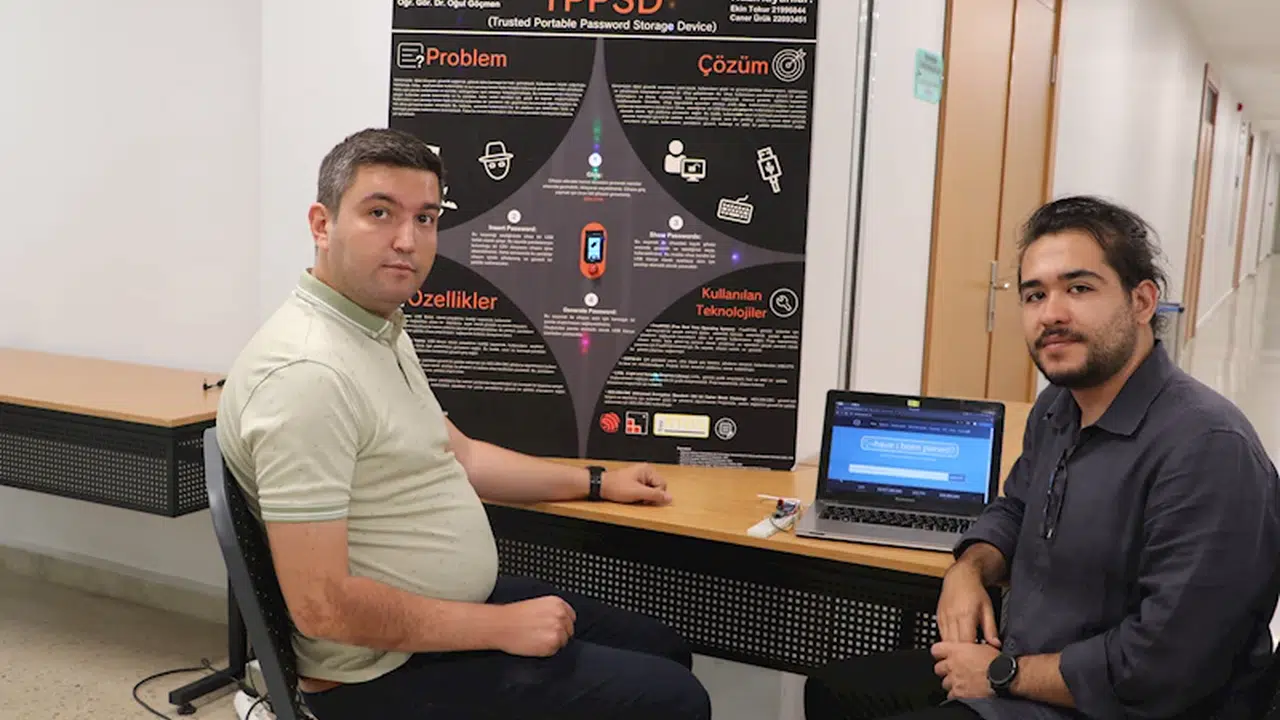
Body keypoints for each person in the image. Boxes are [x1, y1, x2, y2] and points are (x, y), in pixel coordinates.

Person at [215, 128, 712, 720]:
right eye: (380, 213)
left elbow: (463, 456)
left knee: (664, 647)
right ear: (322, 225)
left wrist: (598, 481)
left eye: (425, 218)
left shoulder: (373, 328)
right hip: (375, 675)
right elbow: (322, 606)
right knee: (674, 699)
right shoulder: (308, 375)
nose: (408, 241)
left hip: (437, 622)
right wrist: (499, 627)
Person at [804, 195, 1280, 720]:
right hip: (1030, 666)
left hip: (1114, 705)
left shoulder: (1208, 449)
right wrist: (968, 568)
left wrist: (1000, 675)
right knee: (833, 691)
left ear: (1143, 302)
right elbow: (1016, 507)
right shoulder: (1059, 406)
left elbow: (1164, 667)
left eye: (1079, 288)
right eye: (1035, 295)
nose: (1051, 314)